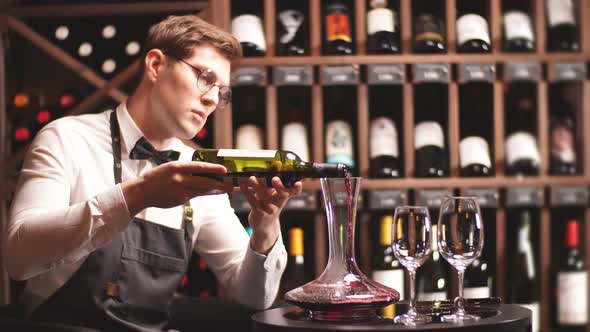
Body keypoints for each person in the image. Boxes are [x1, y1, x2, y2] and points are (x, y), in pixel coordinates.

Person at [3, 14, 301, 331]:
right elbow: (18, 258)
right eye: (204, 76)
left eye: (222, 91)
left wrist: (266, 224)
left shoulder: (198, 167)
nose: (213, 98)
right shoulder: (67, 138)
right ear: (156, 65)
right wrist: (136, 196)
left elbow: (254, 297)